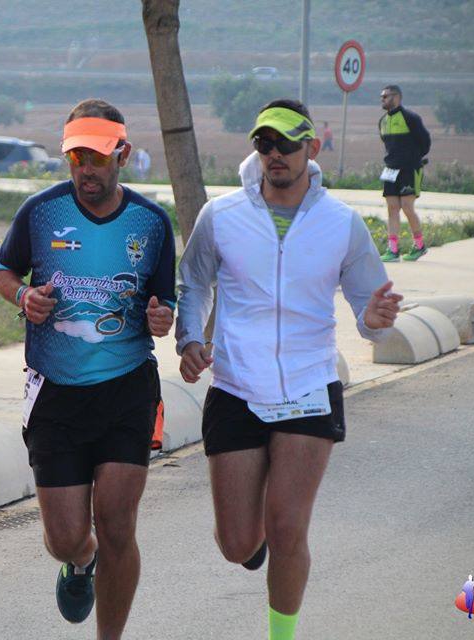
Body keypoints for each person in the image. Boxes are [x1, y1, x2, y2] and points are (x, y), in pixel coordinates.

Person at [176, 99, 402, 640]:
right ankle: (254, 553)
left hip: (308, 387)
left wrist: (373, 322)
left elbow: (372, 312)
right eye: (264, 144)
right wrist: (189, 338)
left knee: (287, 526)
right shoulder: (222, 216)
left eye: (285, 144)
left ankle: (282, 635)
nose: (274, 154)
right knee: (236, 543)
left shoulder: (341, 224)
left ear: (312, 149)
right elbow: (194, 284)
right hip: (236, 387)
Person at [0, 98, 175, 638]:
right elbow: (2, 272)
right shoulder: (41, 211)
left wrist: (162, 318)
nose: (84, 171)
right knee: (65, 537)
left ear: (122, 153)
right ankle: (80, 560)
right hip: (55, 393)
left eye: (95, 158)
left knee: (118, 525)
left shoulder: (150, 222)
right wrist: (24, 296)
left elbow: (163, 306)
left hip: (126, 390)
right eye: (75, 158)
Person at [378, 84, 431, 262]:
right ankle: (393, 250)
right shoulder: (382, 121)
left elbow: (425, 142)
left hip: (410, 169)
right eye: (381, 97)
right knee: (392, 208)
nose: (382, 99)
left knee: (407, 207)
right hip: (390, 169)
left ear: (397, 97)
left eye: (385, 96)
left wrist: (413, 159)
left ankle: (420, 245)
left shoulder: (411, 118)